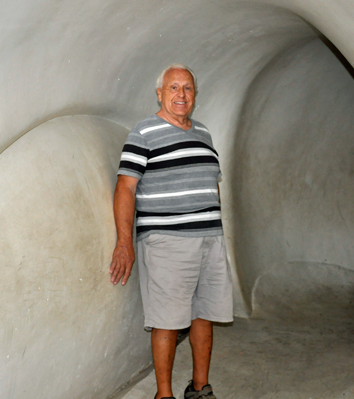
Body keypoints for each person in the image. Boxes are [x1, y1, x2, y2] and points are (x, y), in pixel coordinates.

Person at [109, 64, 233, 399]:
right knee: (167, 320)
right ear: (160, 93)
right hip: (167, 241)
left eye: (188, 88)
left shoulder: (204, 133)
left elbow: (210, 185)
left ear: (195, 95)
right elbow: (125, 188)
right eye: (174, 87)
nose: (182, 95)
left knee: (205, 314)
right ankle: (164, 395)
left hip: (209, 239)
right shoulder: (143, 133)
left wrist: (217, 231)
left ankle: (199, 388)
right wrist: (125, 242)